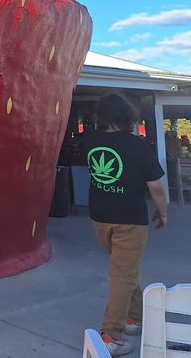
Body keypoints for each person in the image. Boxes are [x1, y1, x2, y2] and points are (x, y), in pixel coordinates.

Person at [82, 93, 168, 357]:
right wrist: (163, 213)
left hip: (99, 217)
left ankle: (134, 317)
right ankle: (111, 335)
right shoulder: (136, 145)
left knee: (125, 270)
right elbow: (156, 186)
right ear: (127, 116)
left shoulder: (90, 140)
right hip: (129, 220)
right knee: (123, 274)